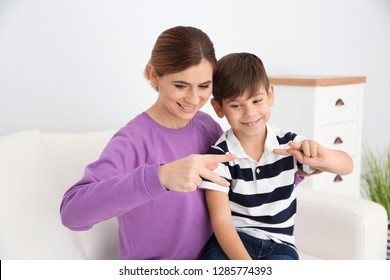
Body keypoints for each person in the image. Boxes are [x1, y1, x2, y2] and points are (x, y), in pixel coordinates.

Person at [60, 26, 236, 260]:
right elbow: (72, 213)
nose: (194, 99)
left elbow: (239, 190)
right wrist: (159, 177)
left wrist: (293, 168)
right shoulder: (132, 140)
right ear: (154, 75)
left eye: (204, 86)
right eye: (180, 86)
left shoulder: (207, 126)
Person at [199, 52, 353, 260]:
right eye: (236, 105)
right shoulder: (219, 157)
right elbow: (221, 223)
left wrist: (322, 156)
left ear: (270, 94)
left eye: (257, 100)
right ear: (219, 108)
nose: (249, 112)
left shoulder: (289, 145)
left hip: (280, 245)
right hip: (234, 242)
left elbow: (347, 165)